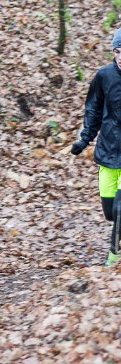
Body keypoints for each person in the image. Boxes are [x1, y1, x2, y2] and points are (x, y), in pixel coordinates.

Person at [71, 28, 121, 266]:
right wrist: (84, 139)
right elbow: (93, 110)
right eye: (118, 51)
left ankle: (113, 256)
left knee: (120, 209)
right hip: (108, 151)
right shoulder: (104, 76)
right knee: (110, 212)